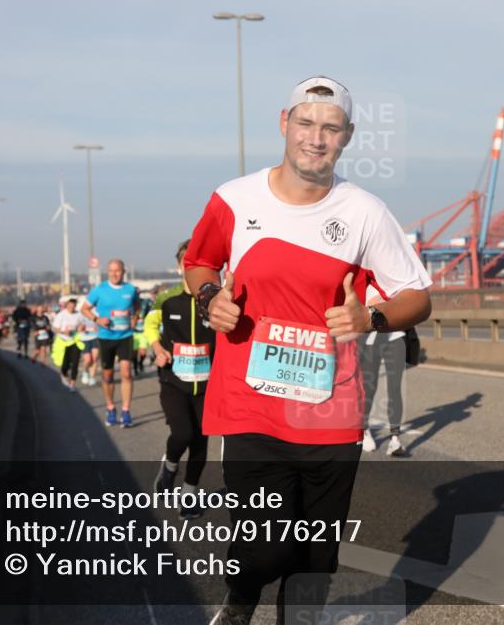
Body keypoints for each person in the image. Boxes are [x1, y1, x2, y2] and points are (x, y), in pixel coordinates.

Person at [184, 76, 432, 625]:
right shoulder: (234, 198)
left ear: (347, 136)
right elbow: (200, 261)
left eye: (330, 127)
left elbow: (418, 296)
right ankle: (242, 596)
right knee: (267, 547)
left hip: (332, 407)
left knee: (316, 558)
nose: (315, 139)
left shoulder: (365, 211)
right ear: (284, 124)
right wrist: (209, 297)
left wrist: (373, 317)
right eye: (305, 123)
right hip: (251, 405)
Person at [146, 239, 216, 520]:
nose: (192, 268)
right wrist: (157, 348)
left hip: (208, 383)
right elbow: (149, 325)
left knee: (201, 441)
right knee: (183, 433)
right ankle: (170, 466)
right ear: (179, 267)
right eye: (187, 263)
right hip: (174, 381)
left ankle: (189, 494)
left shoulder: (215, 302)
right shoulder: (167, 299)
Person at [82, 259, 141, 428]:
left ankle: (126, 411)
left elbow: (137, 305)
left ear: (123, 272)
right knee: (107, 376)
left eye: (118, 271)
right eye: (111, 271)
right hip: (106, 337)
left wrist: (135, 319)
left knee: (126, 373)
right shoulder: (99, 290)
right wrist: (97, 319)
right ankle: (110, 408)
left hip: (125, 336)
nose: (114, 274)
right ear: (107, 272)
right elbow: (84, 309)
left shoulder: (130, 289)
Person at [359, 289, 408, 456]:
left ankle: (395, 438)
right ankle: (364, 429)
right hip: (371, 340)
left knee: (395, 388)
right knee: (370, 387)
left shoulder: (393, 278)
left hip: (394, 337)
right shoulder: (364, 279)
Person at [52, 297, 84, 391]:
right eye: (70, 305)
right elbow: (55, 328)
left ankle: (72, 384)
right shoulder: (61, 315)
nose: (72, 307)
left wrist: (81, 328)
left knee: (75, 362)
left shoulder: (78, 314)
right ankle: (63, 373)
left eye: (73, 306)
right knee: (65, 363)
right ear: (67, 305)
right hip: (63, 341)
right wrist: (63, 331)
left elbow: (82, 324)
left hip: (74, 341)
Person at [79, 312, 100, 386]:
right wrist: (82, 328)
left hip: (95, 338)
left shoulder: (97, 312)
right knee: (88, 359)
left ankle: (92, 377)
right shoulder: (81, 314)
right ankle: (85, 372)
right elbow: (79, 328)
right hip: (85, 339)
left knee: (95, 358)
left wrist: (98, 327)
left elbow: (100, 324)